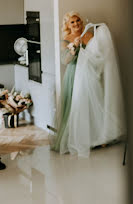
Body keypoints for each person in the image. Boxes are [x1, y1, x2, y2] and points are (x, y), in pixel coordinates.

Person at [50, 11, 93, 153]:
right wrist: (73, 47)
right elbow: (65, 61)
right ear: (68, 25)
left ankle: (92, 138)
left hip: (89, 73)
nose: (76, 24)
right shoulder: (66, 39)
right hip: (74, 74)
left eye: (78, 21)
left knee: (90, 103)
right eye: (72, 22)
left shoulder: (90, 35)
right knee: (76, 104)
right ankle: (74, 139)